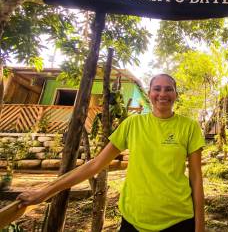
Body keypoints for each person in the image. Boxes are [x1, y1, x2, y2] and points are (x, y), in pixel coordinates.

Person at [17, 74, 206, 232]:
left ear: (176, 94)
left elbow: (196, 178)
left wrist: (200, 227)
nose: (162, 93)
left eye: (168, 89)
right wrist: (44, 192)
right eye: (157, 88)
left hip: (179, 219)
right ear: (149, 94)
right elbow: (95, 164)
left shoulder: (189, 127)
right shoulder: (132, 124)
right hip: (134, 220)